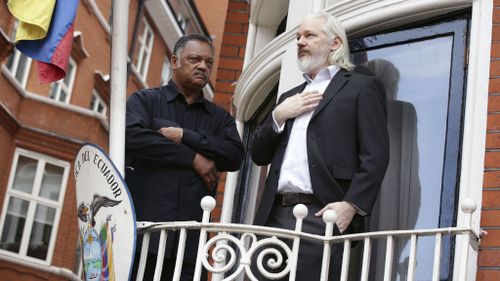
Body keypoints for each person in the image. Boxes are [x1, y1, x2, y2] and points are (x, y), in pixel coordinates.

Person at [250, 12, 390, 280]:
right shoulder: (289, 96)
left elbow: (376, 155)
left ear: (335, 44)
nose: (301, 42)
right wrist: (277, 116)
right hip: (274, 216)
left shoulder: (362, 86)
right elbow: (259, 155)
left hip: (322, 215)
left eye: (310, 35)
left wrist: (352, 204)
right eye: (298, 37)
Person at [125, 34, 244, 280]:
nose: (203, 66)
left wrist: (186, 136)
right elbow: (133, 138)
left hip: (191, 247)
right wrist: (193, 159)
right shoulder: (145, 101)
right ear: (174, 61)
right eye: (195, 59)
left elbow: (234, 155)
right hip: (143, 238)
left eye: (208, 63)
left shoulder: (219, 119)